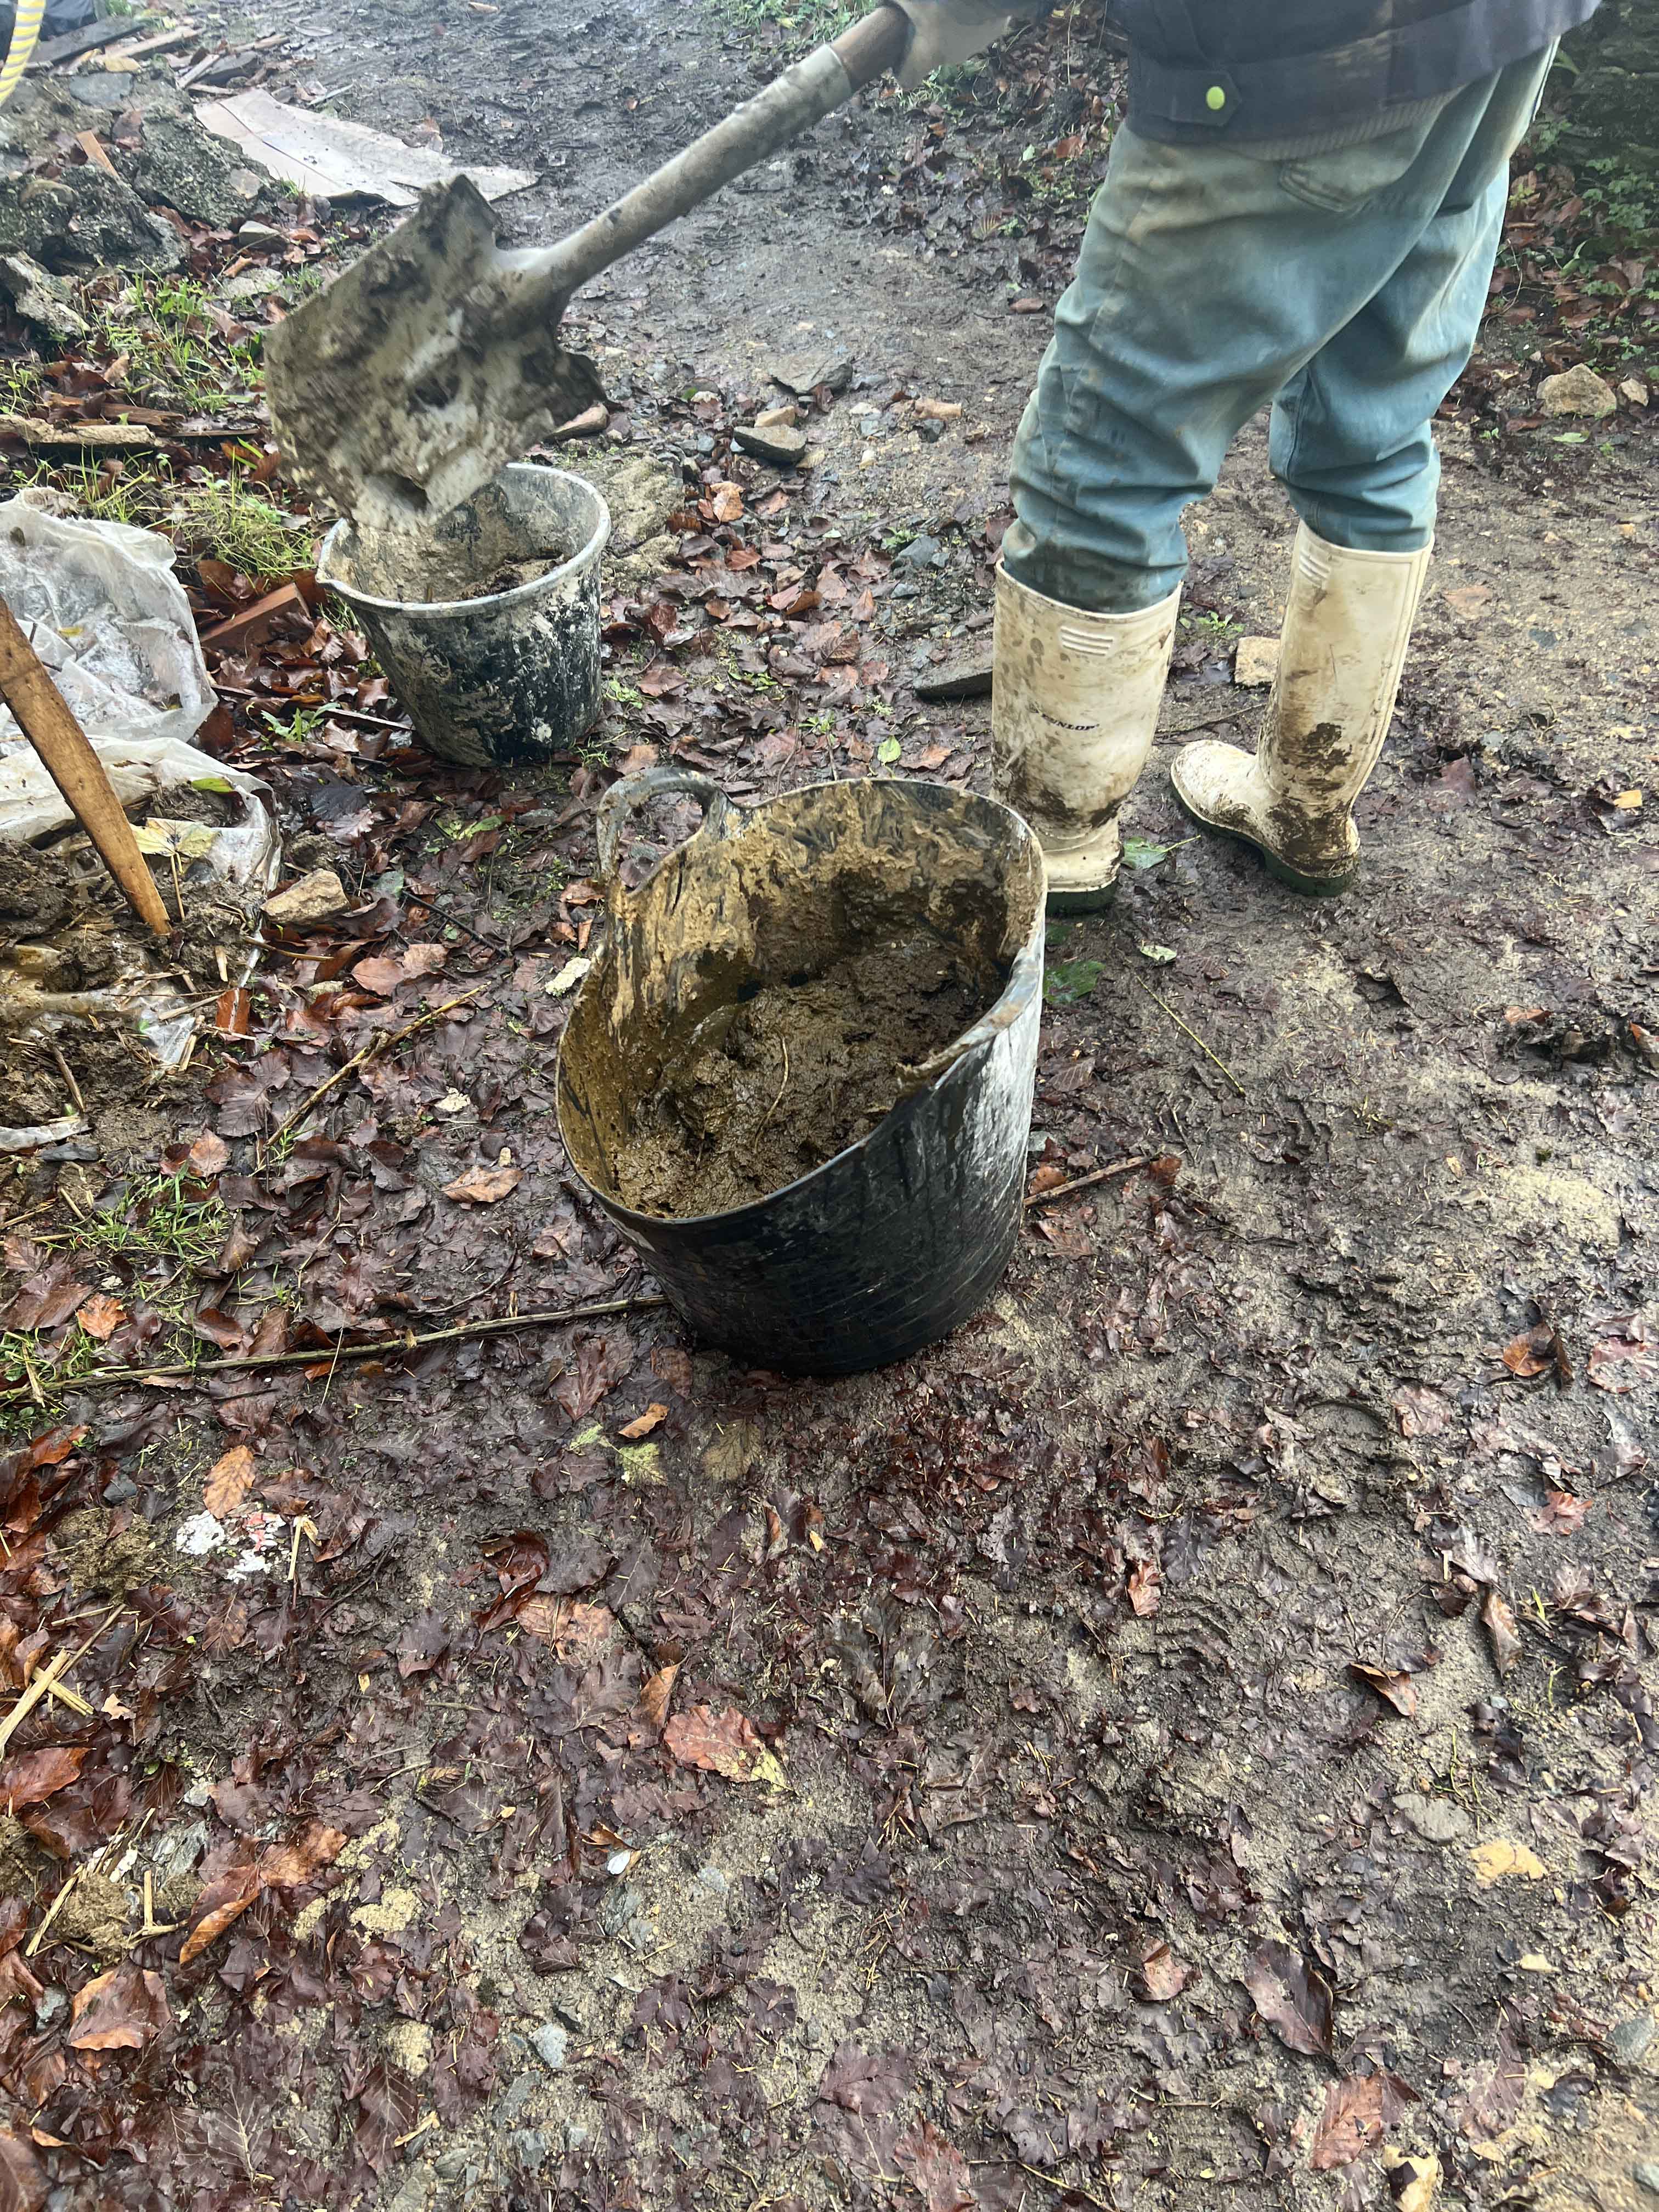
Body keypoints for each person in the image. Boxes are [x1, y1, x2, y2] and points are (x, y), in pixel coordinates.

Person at [891, 0, 1600, 906]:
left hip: (1296, 52)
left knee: (1105, 450)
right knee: (1375, 426)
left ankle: (1056, 847)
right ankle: (1306, 807)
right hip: (1496, 34)